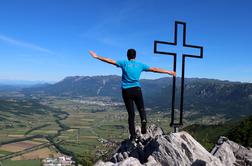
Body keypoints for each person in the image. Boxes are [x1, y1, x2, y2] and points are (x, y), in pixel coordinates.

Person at [88, 49, 176, 142]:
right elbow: (154, 69)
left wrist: (97, 56)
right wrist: (169, 72)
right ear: (135, 56)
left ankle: (133, 136)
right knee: (141, 108)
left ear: (127, 56)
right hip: (137, 89)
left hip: (126, 91)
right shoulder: (140, 65)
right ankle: (143, 120)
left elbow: (110, 60)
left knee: (131, 115)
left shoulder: (124, 63)